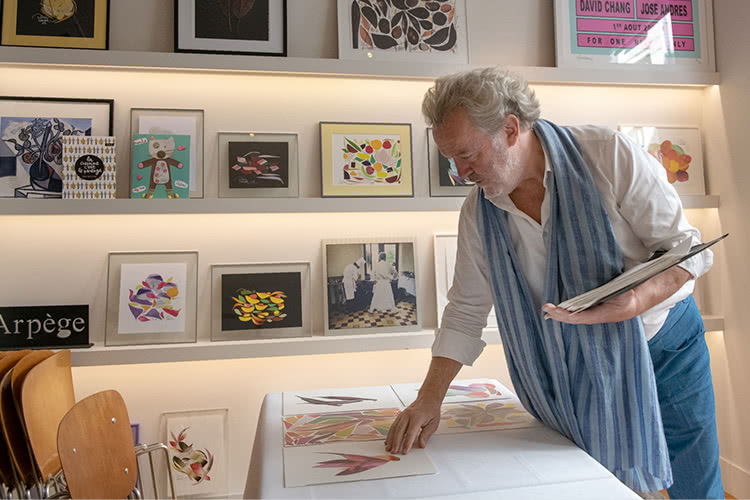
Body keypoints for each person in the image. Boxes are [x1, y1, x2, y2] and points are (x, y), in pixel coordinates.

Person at [384, 67, 723, 499]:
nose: (460, 172)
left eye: (467, 155)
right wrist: (429, 398)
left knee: (697, 485)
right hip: (572, 370)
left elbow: (688, 251)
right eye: (450, 158)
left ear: (510, 129)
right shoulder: (479, 212)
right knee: (594, 485)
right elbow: (466, 310)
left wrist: (634, 302)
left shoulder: (606, 154)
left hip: (664, 344)